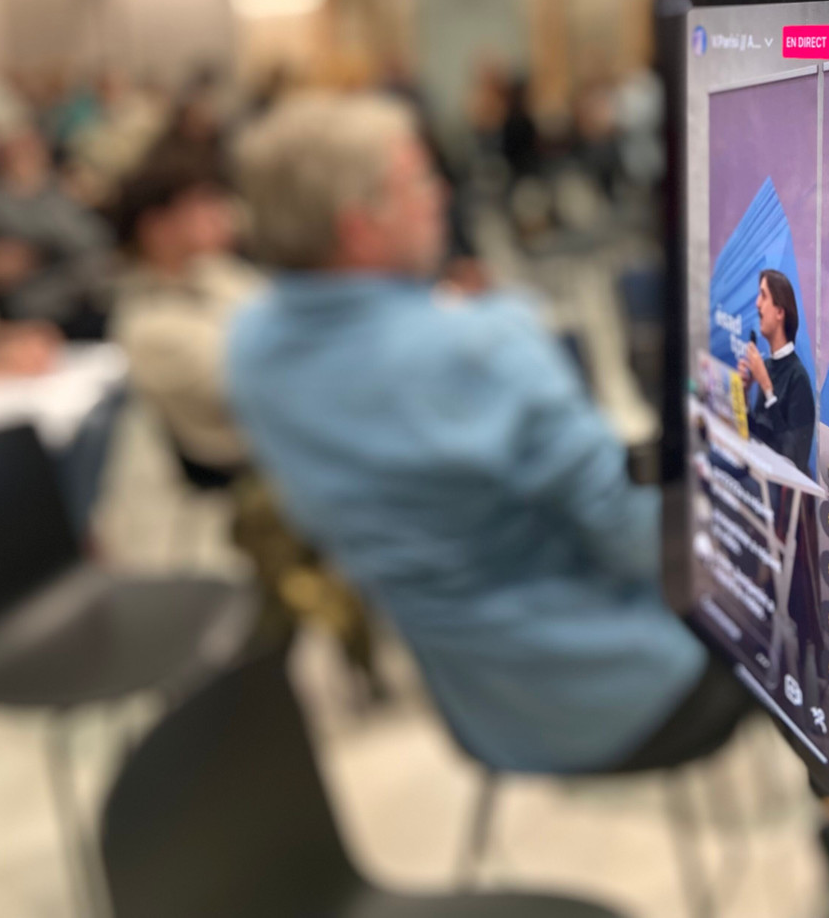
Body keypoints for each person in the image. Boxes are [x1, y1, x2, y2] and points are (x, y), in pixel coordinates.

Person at [228, 92, 752, 775]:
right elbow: (645, 545)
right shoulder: (480, 348)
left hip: (474, 708)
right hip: (625, 691)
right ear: (360, 225)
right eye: (417, 180)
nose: (439, 194)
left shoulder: (249, 349)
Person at [108, 147, 261, 480]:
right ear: (157, 227)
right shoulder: (147, 325)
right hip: (253, 474)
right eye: (200, 205)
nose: (221, 213)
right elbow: (268, 388)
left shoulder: (217, 270)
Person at [0, 80, 113, 339]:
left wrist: (36, 185)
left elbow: (93, 243)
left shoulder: (41, 184)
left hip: (68, 300)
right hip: (20, 313)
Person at [737, 269, 815, 478]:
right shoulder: (767, 366)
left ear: (780, 312)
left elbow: (792, 456)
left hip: (779, 486)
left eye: (763, 295)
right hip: (758, 472)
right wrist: (744, 395)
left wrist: (767, 388)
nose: (757, 304)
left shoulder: (798, 378)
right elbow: (756, 437)